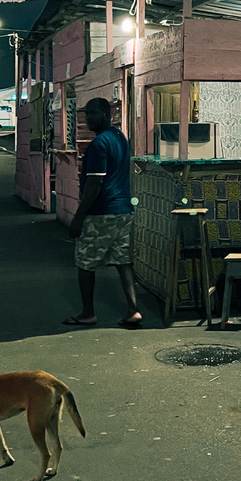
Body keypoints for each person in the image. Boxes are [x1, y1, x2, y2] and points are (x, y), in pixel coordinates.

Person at [65, 97, 140, 328]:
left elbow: (94, 185)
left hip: (101, 212)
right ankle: (133, 310)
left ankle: (88, 312)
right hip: (123, 211)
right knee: (122, 261)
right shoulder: (119, 137)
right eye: (86, 114)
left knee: (85, 262)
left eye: (92, 113)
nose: (87, 118)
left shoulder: (99, 145)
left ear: (106, 114)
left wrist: (78, 217)